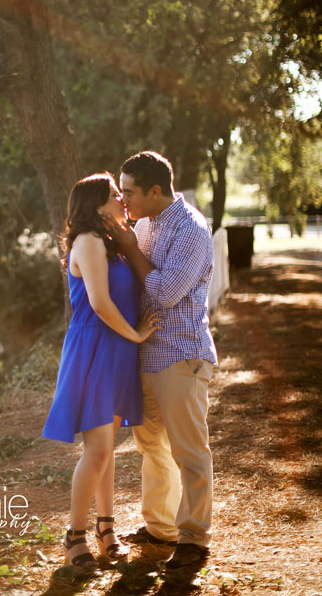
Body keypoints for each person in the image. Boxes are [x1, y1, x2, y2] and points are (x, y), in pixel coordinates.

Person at [43, 172, 161, 569]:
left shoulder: (111, 243)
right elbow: (98, 303)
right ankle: (74, 534)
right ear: (95, 205)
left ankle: (106, 527)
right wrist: (137, 334)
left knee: (106, 449)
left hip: (116, 349)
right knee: (96, 451)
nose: (121, 199)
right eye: (114, 195)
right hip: (97, 348)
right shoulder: (89, 242)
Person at [107, 151, 217, 571]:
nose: (124, 199)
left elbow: (166, 291)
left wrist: (132, 250)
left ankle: (193, 537)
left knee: (190, 451)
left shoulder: (190, 229)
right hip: (148, 354)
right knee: (151, 445)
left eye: (129, 191)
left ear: (155, 191)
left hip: (182, 355)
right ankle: (159, 528)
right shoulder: (146, 221)